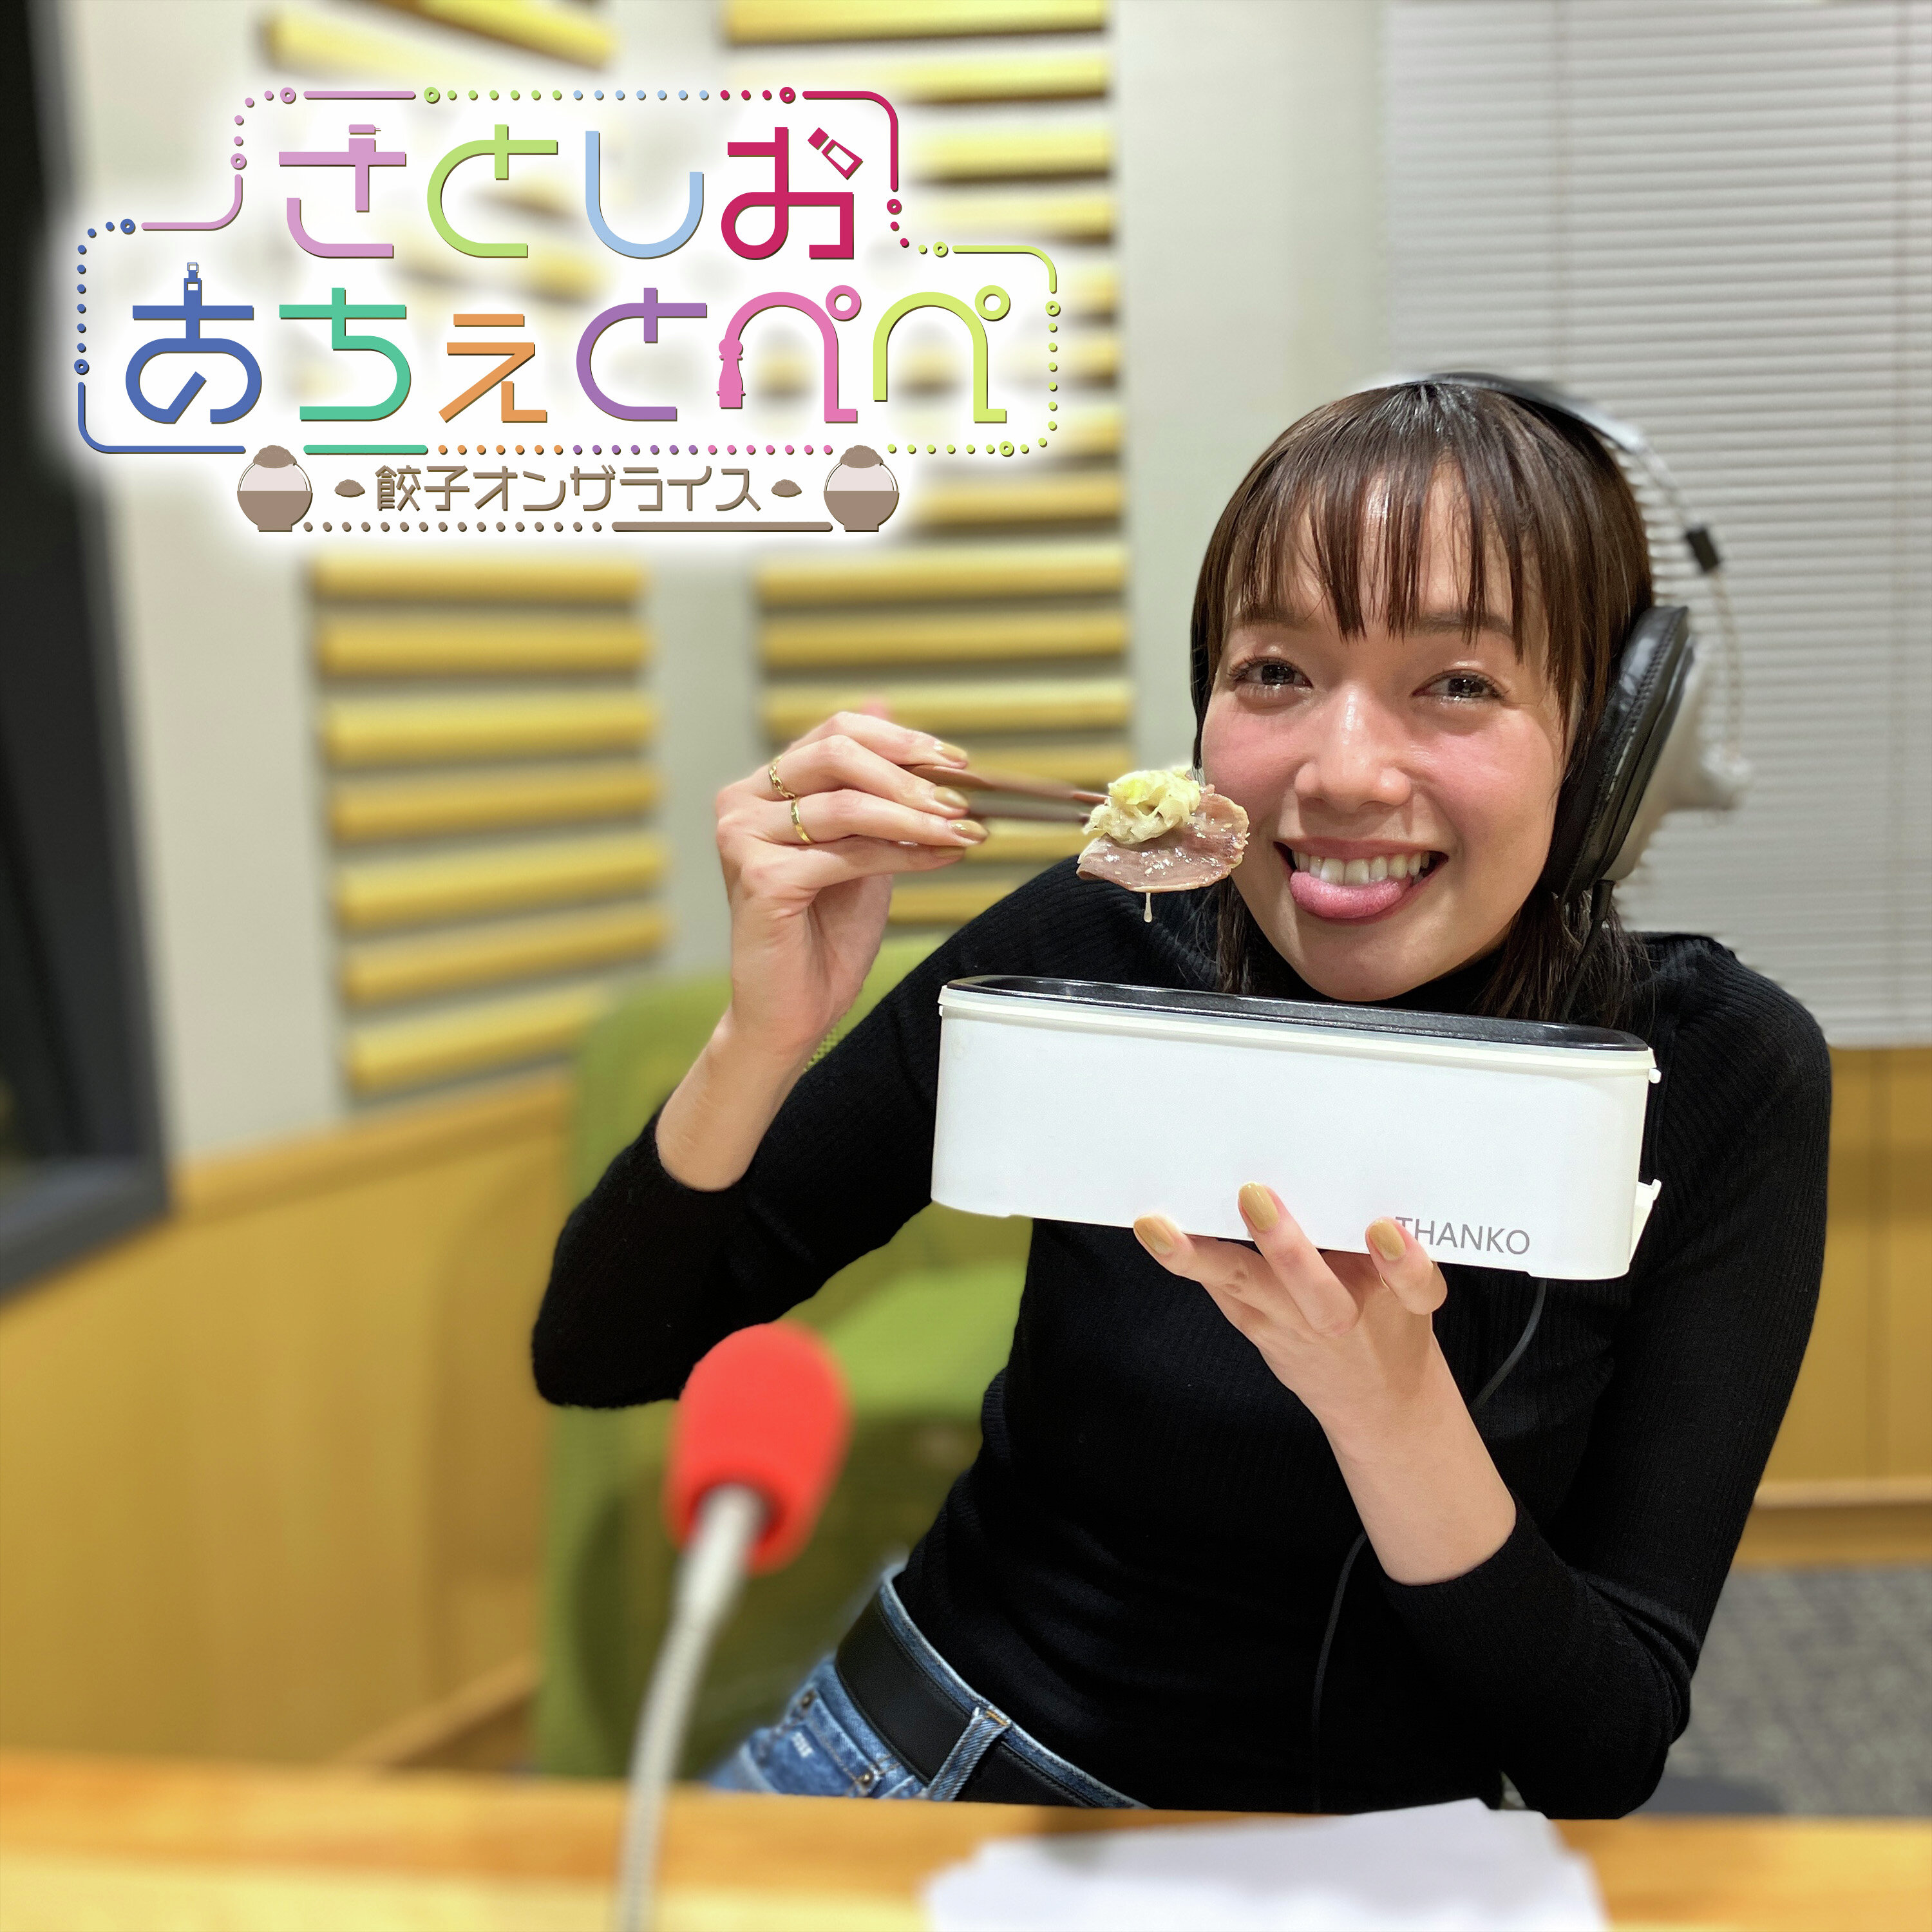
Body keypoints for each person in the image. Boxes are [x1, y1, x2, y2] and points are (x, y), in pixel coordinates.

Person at [533, 382, 1829, 1817]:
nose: (1342, 772)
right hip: (913, 1760)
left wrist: (1387, 1411)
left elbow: (1601, 1750)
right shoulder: (1100, 940)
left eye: (1458, 684)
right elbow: (602, 1347)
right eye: (1276, 673)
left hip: (1360, 1876)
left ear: (1606, 744)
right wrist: (762, 1037)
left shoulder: (1714, 1072)